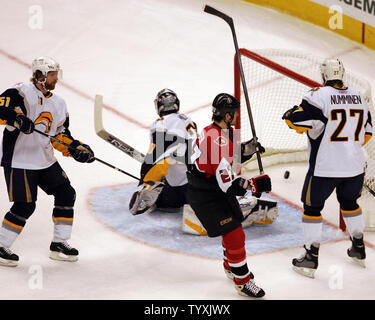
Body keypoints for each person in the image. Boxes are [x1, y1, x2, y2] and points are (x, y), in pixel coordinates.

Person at [0, 56, 95, 267]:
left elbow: (60, 136)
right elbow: (1, 110)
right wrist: (16, 118)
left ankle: (59, 243)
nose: (55, 79)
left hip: (45, 160)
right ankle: (1, 245)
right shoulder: (20, 92)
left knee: (66, 193)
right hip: (20, 160)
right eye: (52, 75)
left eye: (56, 75)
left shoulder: (59, 103)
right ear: (40, 75)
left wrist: (76, 149)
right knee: (25, 205)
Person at [282, 58, 373, 278]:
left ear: (323, 76)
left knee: (312, 208)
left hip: (324, 169)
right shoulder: (360, 97)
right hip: (354, 167)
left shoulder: (318, 95)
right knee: (350, 203)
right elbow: (367, 134)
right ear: (343, 74)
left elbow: (294, 121)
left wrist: (290, 113)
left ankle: (311, 257)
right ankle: (358, 247)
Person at [186, 93, 272, 298]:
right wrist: (254, 185)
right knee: (234, 234)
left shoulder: (218, 131)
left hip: (213, 187)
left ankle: (231, 267)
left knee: (233, 226)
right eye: (233, 113)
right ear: (226, 116)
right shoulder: (214, 141)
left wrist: (248, 149)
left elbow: (231, 152)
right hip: (205, 193)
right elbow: (230, 185)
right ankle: (242, 282)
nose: (236, 117)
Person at [129, 88, 197, 215]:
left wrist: (141, 185)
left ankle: (159, 190)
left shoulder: (160, 124)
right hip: (199, 187)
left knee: (150, 201)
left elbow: (153, 158)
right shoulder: (188, 120)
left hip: (180, 193)